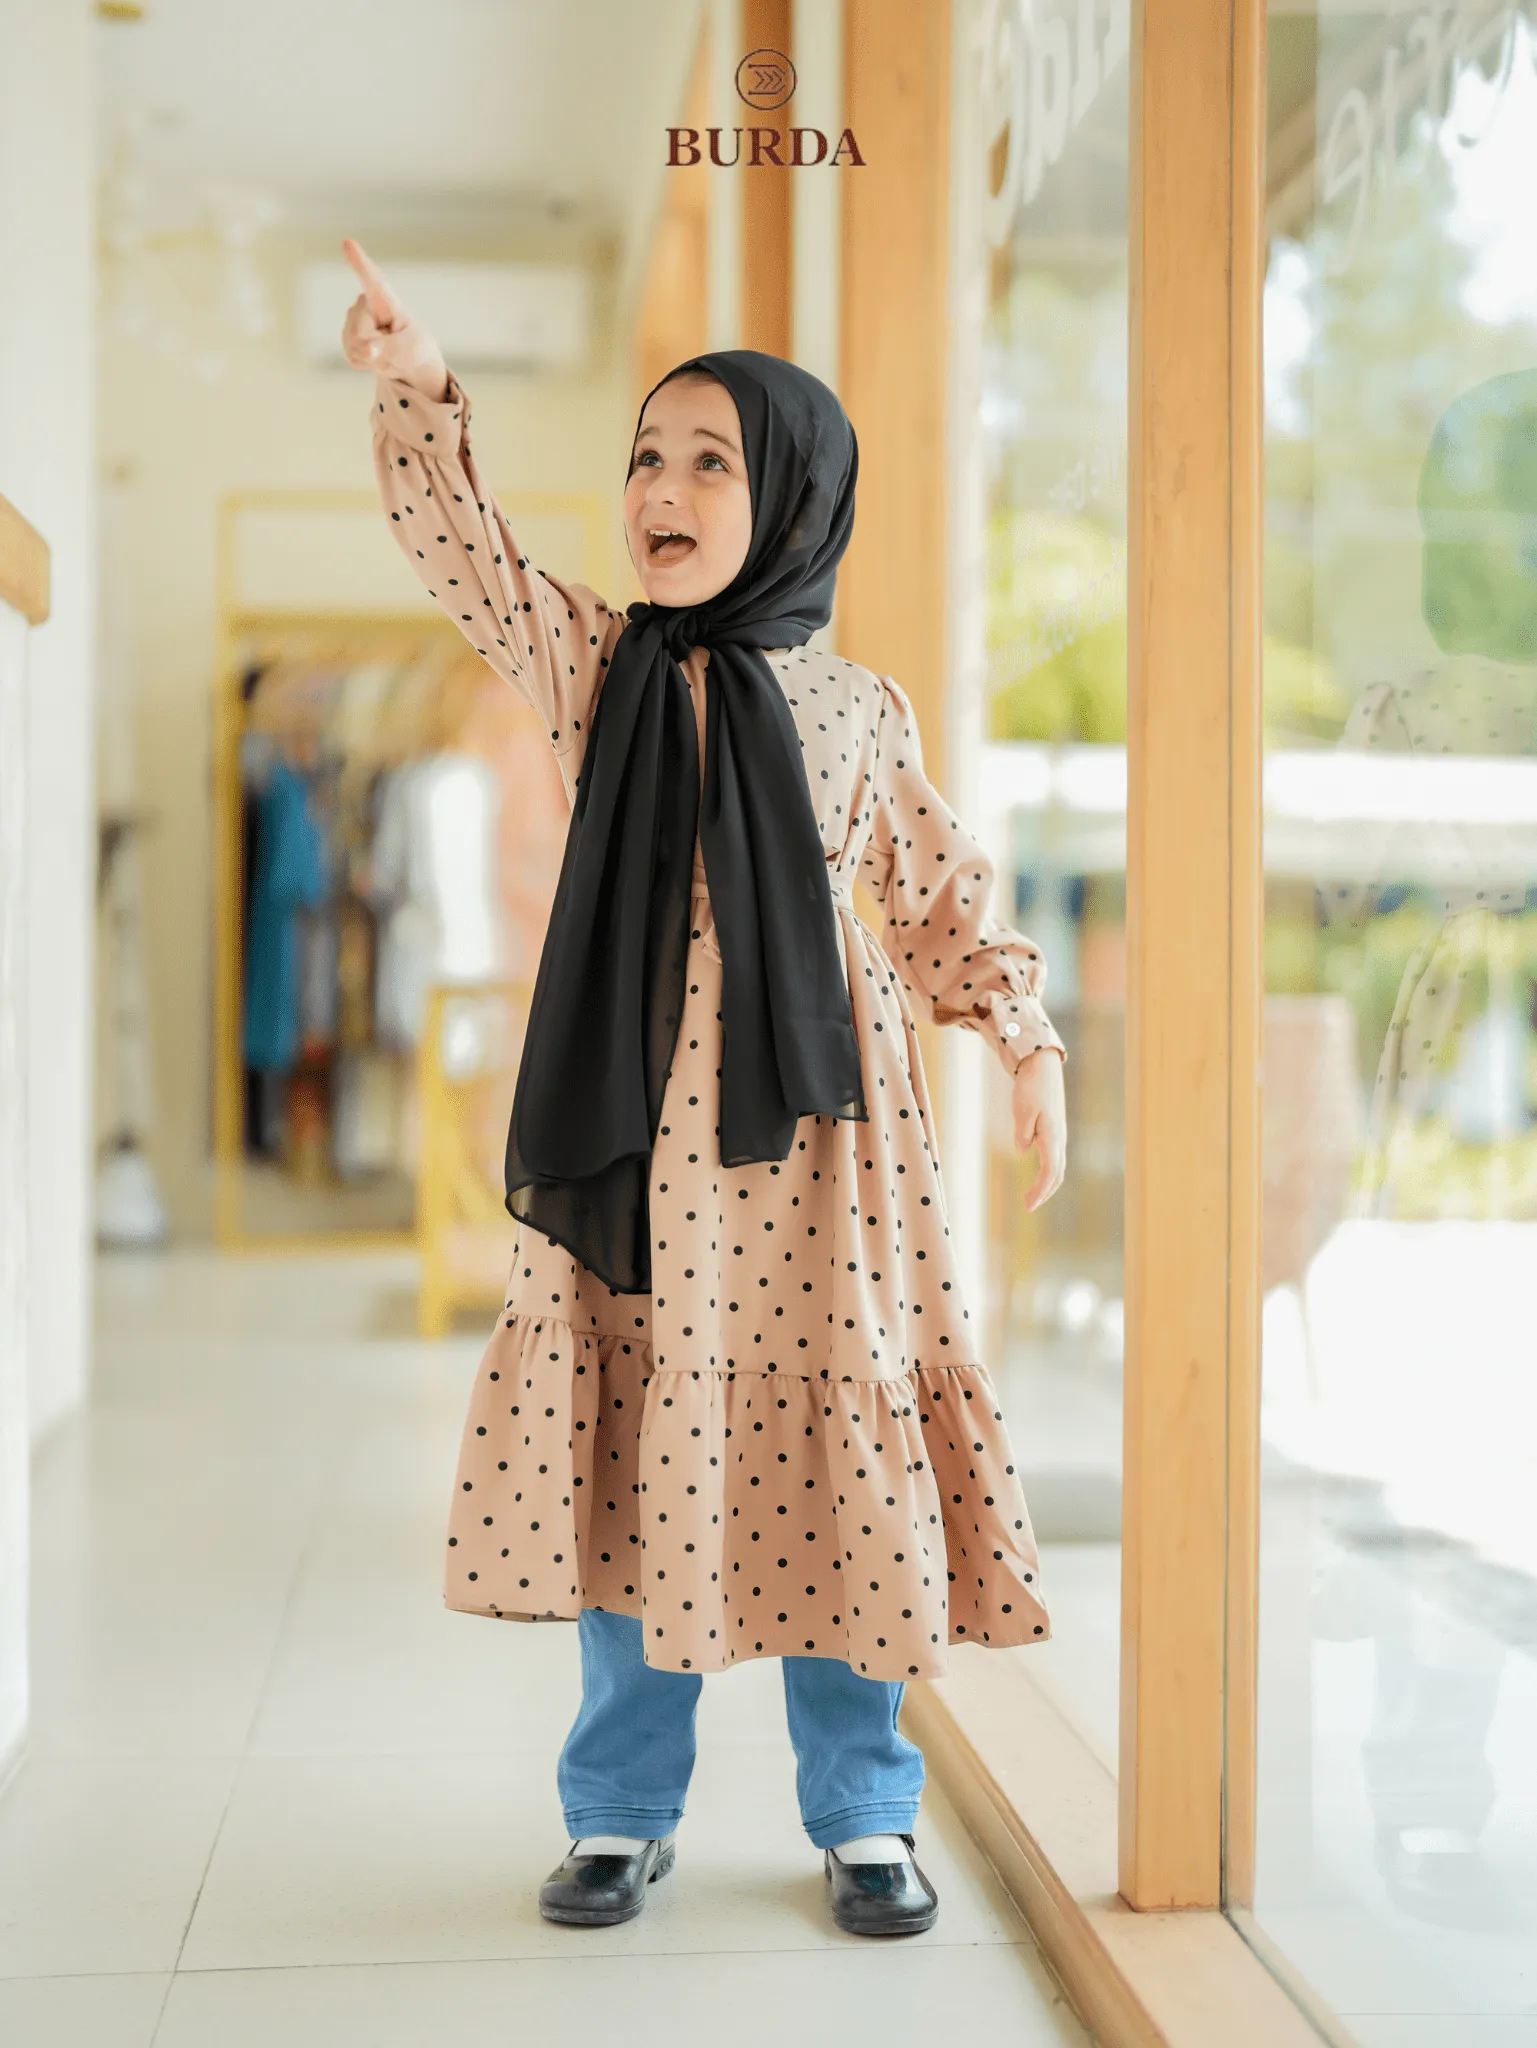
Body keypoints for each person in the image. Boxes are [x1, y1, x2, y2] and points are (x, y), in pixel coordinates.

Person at [341, 238, 1068, 1936]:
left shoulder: (861, 711)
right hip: (639, 1135)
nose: (661, 487)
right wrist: (420, 393)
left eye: (710, 459)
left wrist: (1025, 1039)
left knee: (836, 1459)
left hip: (824, 1147)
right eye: (644, 458)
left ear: (796, 497)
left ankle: (864, 1812)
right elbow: (475, 566)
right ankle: (619, 1809)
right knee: (634, 1456)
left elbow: (948, 897)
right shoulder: (600, 668)